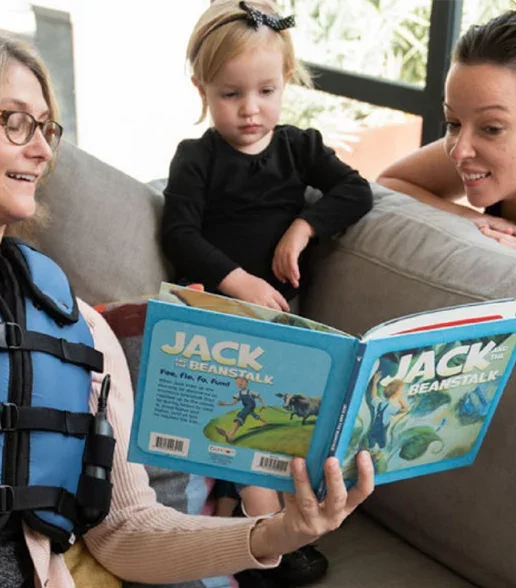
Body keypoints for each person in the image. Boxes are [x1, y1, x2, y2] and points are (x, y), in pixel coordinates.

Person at [0, 25, 374, 588]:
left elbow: (127, 529)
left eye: (48, 127)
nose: (44, 149)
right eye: (16, 121)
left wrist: (275, 533)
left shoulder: (77, 325)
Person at [160, 2, 373, 586]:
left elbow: (356, 191)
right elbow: (178, 232)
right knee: (247, 427)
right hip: (221, 315)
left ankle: (250, 523)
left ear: (287, 83)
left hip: (281, 327)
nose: (251, 110)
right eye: (231, 94)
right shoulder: (197, 159)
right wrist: (239, 280)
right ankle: (264, 545)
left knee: (287, 424)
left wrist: (305, 226)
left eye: (266, 91)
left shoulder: (299, 148)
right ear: (202, 88)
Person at [377, 0, 516, 266]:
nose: (459, 151)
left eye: (491, 128)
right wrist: (473, 221)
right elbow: (390, 184)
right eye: (453, 123)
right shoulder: (484, 157)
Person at [216, 376, 270, 443]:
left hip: (250, 406)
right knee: (253, 414)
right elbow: (233, 403)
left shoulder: (250, 392)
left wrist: (263, 403)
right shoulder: (238, 394)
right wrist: (225, 404)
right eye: (238, 383)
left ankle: (230, 436)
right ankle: (265, 422)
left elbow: (259, 397)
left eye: (242, 382)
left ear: (246, 383)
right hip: (247, 407)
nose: (240, 384)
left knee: (240, 416)